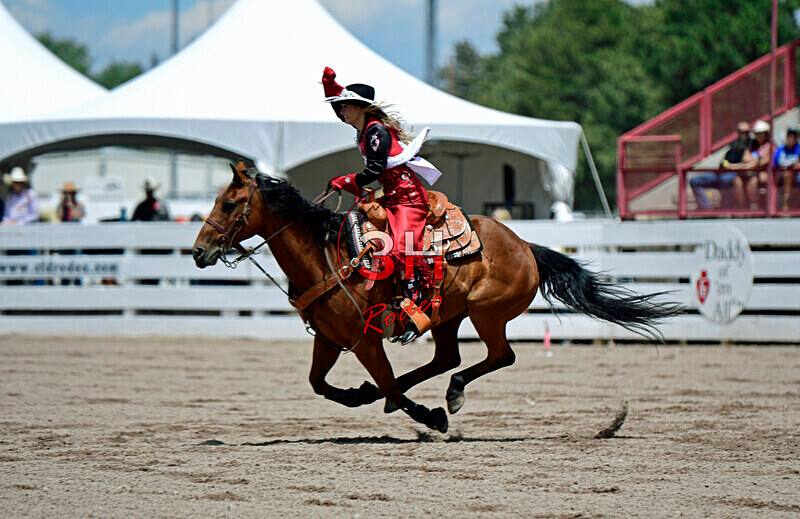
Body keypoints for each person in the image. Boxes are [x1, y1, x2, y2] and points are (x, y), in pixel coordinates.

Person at [322, 67, 443, 344]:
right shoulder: (366, 129)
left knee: (403, 247)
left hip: (408, 198)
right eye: (339, 107)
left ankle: (416, 312)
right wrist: (330, 87)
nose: (341, 112)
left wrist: (349, 179)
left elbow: (376, 168)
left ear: (358, 108)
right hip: (392, 195)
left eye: (345, 107)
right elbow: (377, 170)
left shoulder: (376, 131)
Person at [690, 121, 752, 209]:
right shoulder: (734, 144)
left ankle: (725, 210)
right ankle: (706, 208)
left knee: (725, 179)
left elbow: (751, 162)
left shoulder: (752, 145)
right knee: (694, 181)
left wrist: (736, 166)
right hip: (720, 172)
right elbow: (724, 160)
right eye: (740, 131)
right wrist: (724, 163)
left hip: (735, 174)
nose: (743, 134)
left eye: (745, 132)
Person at [735, 120, 773, 210]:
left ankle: (754, 207)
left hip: (766, 173)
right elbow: (745, 157)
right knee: (737, 181)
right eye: (757, 134)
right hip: (750, 172)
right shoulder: (752, 145)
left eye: (761, 134)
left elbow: (764, 161)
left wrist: (747, 165)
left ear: (766, 134)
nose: (758, 136)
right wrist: (753, 162)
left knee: (753, 181)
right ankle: (742, 207)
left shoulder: (771, 146)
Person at [774, 126, 800, 211]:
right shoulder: (781, 149)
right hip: (781, 174)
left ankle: (786, 203)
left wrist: (794, 166)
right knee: (784, 175)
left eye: (793, 136)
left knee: (788, 175)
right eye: (789, 136)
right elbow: (775, 163)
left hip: (796, 175)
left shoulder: (799, 148)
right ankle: (776, 206)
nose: (791, 138)